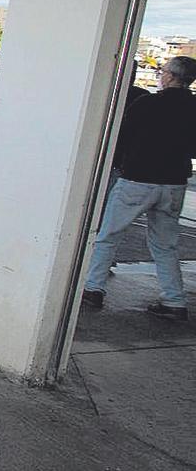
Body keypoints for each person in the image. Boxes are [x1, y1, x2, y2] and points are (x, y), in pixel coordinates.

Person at [82, 56, 196, 322]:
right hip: (174, 183)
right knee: (165, 245)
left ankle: (93, 288)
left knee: (108, 235)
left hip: (137, 179)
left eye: (162, 71)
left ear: (169, 77)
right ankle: (174, 300)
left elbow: (121, 135)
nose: (160, 74)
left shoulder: (147, 103)